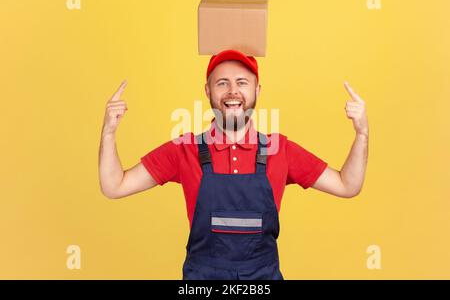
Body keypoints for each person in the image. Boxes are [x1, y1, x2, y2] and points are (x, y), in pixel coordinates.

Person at [98, 49, 369, 279]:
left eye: (242, 82)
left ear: (256, 90)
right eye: (222, 83)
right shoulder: (185, 149)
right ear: (207, 90)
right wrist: (108, 133)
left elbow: (347, 185)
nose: (232, 91)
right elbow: (114, 186)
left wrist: (361, 135)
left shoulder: (280, 149)